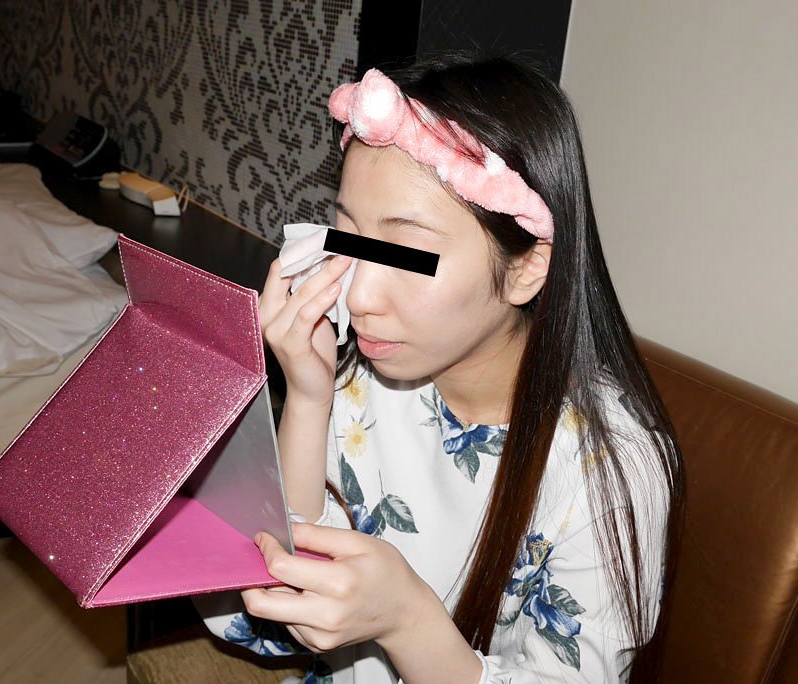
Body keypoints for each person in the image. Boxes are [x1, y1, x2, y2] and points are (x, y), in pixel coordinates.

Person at [198, 54, 684, 683]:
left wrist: (407, 621)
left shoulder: (609, 469)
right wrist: (308, 400)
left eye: (406, 253)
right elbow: (278, 603)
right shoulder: (361, 375)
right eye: (349, 238)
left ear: (526, 269)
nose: (360, 296)